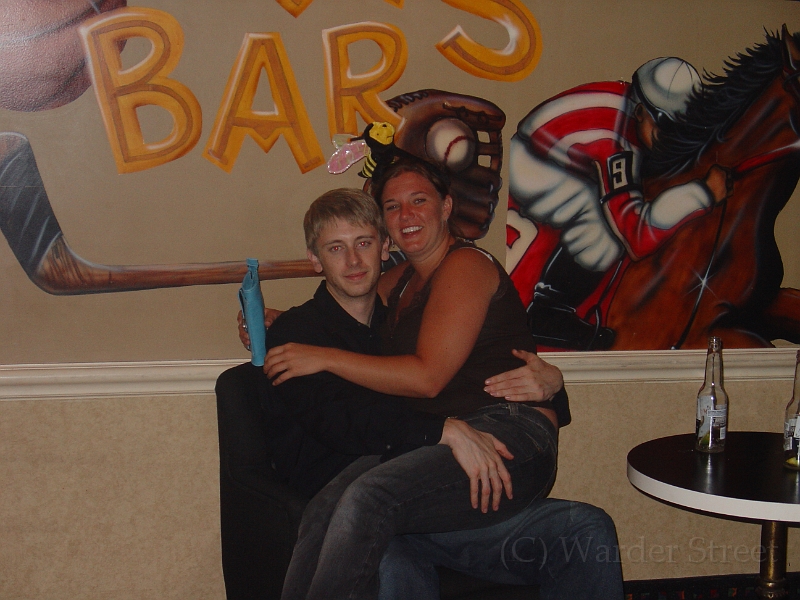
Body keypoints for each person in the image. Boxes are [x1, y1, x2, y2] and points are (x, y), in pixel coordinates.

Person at [232, 185, 622, 599]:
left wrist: (552, 386)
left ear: (384, 247)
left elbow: (465, 375)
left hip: (421, 497)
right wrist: (442, 431)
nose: (353, 261)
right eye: (335, 248)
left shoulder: (395, 324)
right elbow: (345, 424)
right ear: (316, 260)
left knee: (586, 528)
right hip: (347, 513)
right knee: (387, 541)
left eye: (363, 243)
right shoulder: (296, 338)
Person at [507, 57, 733, 350]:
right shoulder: (615, 145)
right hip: (532, 163)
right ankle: (547, 313)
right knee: (604, 226)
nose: (674, 139)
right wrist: (702, 194)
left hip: (560, 151)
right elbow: (636, 237)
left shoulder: (633, 109)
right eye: (667, 126)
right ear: (640, 112)